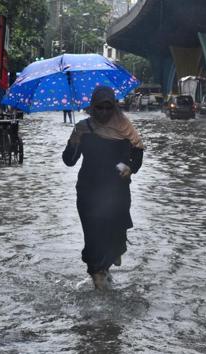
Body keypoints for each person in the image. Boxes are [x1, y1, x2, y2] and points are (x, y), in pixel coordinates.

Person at [62, 86, 144, 290]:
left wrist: (130, 168)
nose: (104, 112)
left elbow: (138, 156)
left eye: (109, 107)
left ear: (115, 107)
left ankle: (105, 266)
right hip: (89, 192)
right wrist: (74, 140)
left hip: (117, 193)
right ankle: (97, 277)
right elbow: (69, 161)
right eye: (100, 108)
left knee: (114, 235)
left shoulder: (126, 128)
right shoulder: (83, 128)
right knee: (93, 236)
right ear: (93, 107)